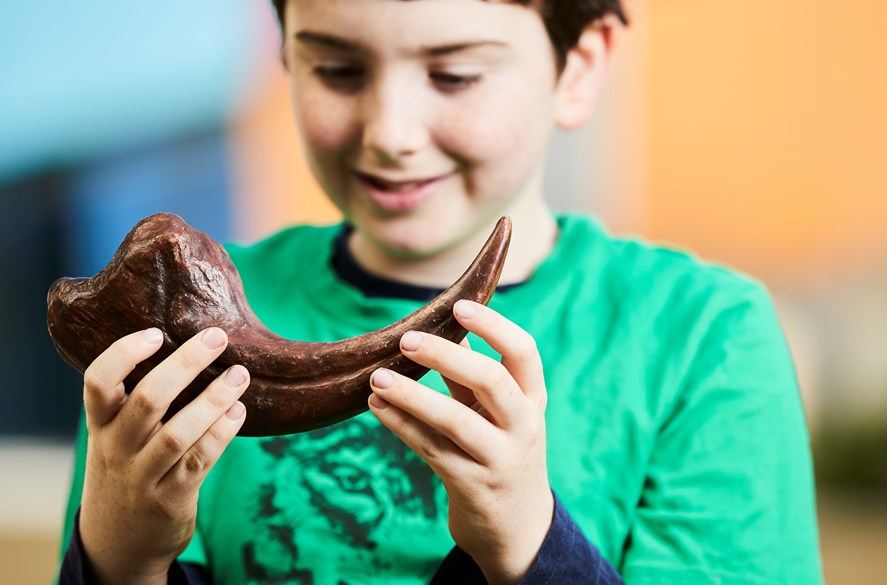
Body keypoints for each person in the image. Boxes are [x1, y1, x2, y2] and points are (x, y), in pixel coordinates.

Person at [57, 1, 823, 583]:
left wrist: (530, 539)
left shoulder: (702, 335)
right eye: (338, 69)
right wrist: (119, 555)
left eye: (454, 74)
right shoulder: (176, 319)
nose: (391, 130)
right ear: (283, 55)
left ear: (580, 65)